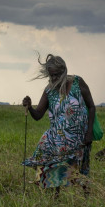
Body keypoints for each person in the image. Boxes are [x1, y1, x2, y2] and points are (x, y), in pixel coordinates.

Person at [22, 54, 96, 195]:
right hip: (57, 139)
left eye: (56, 75)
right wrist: (30, 107)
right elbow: (38, 115)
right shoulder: (49, 90)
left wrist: (89, 133)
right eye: (51, 76)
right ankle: (55, 198)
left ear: (64, 71)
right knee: (53, 165)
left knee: (81, 170)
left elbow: (91, 107)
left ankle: (87, 198)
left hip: (79, 139)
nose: (54, 79)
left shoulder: (77, 83)